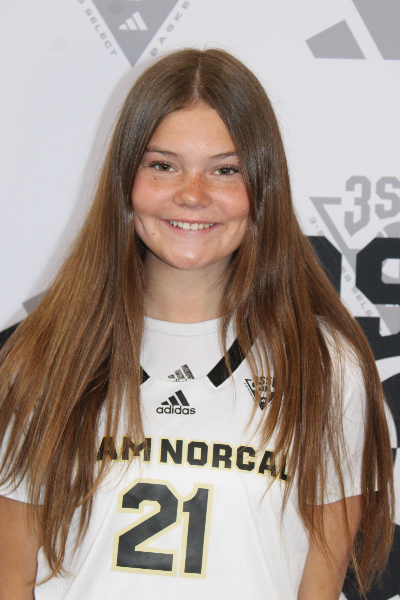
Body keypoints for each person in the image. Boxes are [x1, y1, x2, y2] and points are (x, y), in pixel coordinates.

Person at [0, 48, 394, 600]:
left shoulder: (324, 365)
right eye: (163, 165)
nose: (192, 194)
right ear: (126, 179)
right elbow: (11, 579)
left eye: (225, 170)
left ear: (263, 186)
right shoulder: (46, 356)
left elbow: (318, 590)